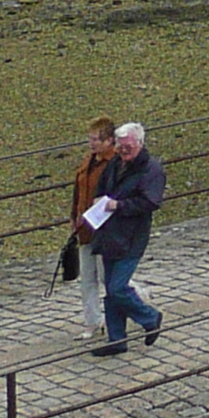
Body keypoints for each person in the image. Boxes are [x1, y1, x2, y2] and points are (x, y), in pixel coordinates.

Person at [87, 120, 167, 355]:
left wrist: (117, 205)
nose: (123, 151)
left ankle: (150, 317)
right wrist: (99, 201)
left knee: (118, 287)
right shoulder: (116, 163)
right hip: (110, 234)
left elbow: (151, 202)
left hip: (131, 237)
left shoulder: (151, 169)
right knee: (111, 290)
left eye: (128, 147)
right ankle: (116, 339)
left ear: (140, 143)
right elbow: (103, 187)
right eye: (120, 146)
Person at [64, 118, 119, 341]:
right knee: (87, 278)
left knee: (108, 278)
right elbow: (78, 190)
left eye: (96, 139)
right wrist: (73, 216)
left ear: (109, 141)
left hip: (103, 229)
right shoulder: (89, 161)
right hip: (85, 228)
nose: (91, 143)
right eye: (90, 138)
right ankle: (92, 322)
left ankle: (134, 300)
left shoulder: (114, 164)